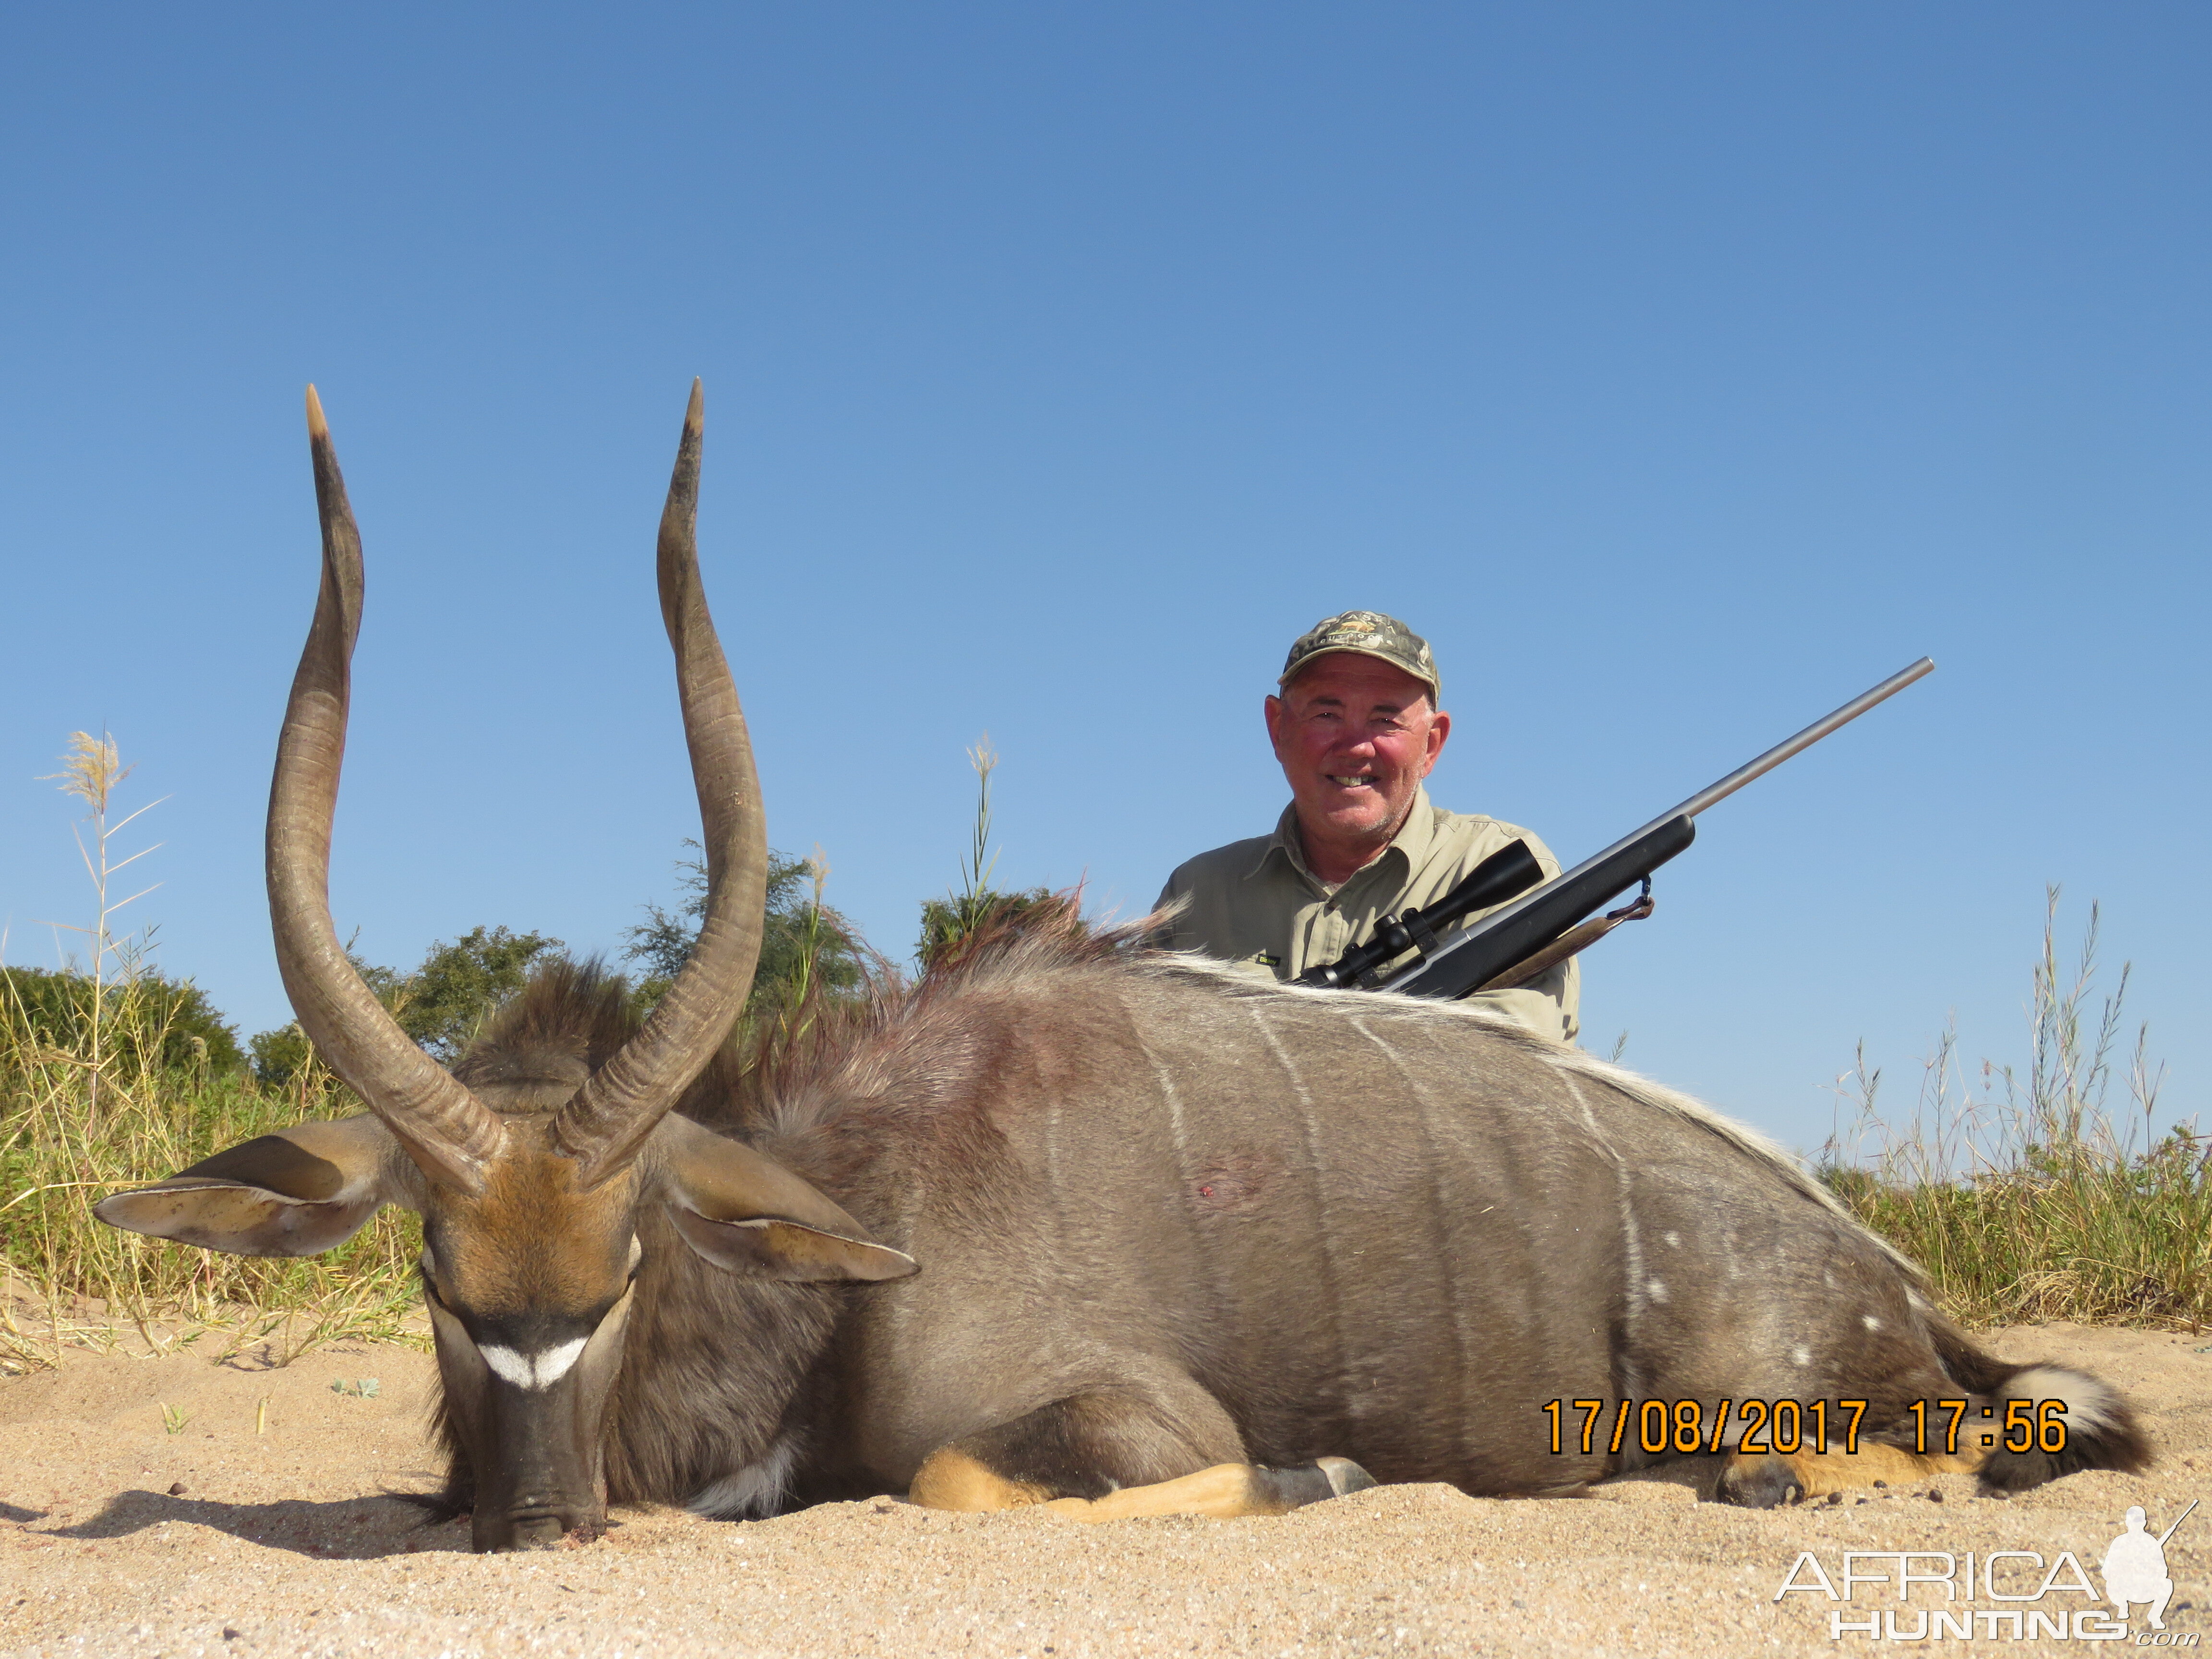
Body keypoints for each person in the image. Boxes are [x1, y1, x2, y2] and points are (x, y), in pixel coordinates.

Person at [1153, 610, 1579, 1042]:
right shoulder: (1194, 896)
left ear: (1432, 745)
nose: (1355, 747)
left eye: (1385, 720)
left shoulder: (1499, 867)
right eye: (1327, 715)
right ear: (1278, 728)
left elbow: (1513, 1064)